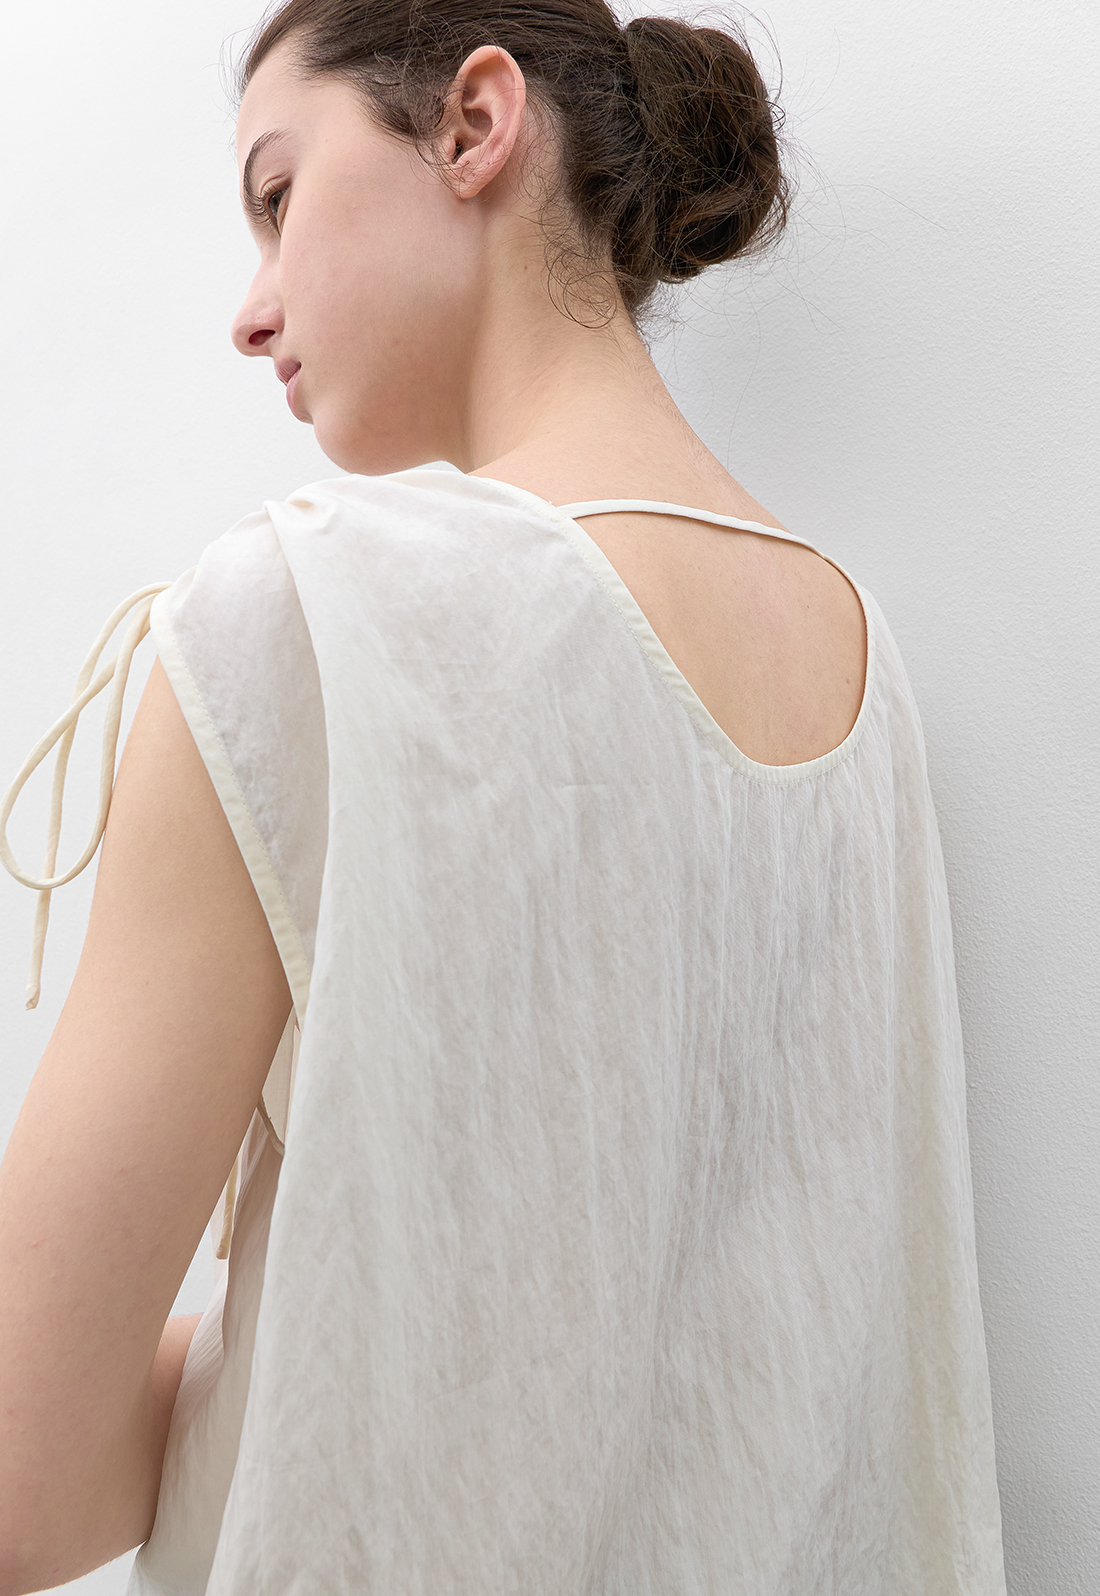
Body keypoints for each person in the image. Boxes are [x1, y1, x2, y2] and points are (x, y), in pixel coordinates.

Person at [0, 2, 1006, 1592]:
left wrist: (304, 1317)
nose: (251, 313)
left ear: (476, 123)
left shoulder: (310, 622)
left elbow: (18, 1487)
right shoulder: (857, 663)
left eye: (279, 196)